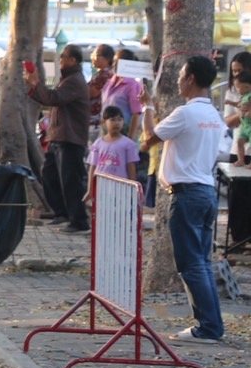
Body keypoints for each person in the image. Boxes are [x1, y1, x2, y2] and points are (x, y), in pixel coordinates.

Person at [139, 55, 225, 343]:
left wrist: (148, 106)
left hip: (188, 194)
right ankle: (211, 324)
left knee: (191, 264)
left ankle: (209, 327)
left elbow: (148, 139)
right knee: (201, 262)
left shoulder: (186, 113)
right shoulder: (213, 115)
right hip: (206, 191)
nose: (177, 81)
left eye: (181, 76)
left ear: (190, 79)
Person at [24, 45, 90, 233]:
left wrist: (35, 84)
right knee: (49, 174)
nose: (60, 59)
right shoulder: (68, 79)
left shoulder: (74, 81)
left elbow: (54, 98)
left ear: (73, 60)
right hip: (58, 136)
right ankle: (62, 212)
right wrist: (35, 86)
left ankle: (79, 221)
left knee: (71, 181)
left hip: (70, 138)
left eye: (64, 56)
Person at [87, 105, 140, 203]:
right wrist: (90, 190)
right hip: (101, 188)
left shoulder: (128, 144)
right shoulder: (97, 144)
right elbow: (92, 167)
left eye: (119, 120)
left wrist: (133, 191)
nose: (117, 123)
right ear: (103, 122)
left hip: (120, 189)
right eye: (112, 120)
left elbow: (131, 168)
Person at [98, 46, 145, 139]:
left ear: (127, 64)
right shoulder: (109, 82)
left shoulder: (132, 85)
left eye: (118, 62)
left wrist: (130, 139)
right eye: (114, 61)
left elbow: (136, 114)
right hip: (106, 133)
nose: (114, 65)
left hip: (123, 133)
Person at [234, 71, 251, 166]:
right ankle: (241, 160)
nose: (237, 90)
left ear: (247, 87)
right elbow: (239, 106)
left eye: (238, 87)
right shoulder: (243, 97)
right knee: (240, 142)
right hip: (245, 126)